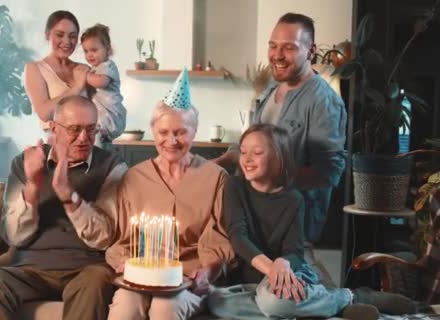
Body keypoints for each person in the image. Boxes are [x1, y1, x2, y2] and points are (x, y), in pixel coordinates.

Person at [208, 124, 417, 320]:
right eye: (243, 152)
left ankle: (353, 297)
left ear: (277, 157)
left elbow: (295, 252)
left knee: (273, 303)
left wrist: (283, 263)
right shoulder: (234, 187)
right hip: (257, 280)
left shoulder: (294, 200)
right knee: (215, 302)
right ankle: (330, 304)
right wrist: (272, 268)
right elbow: (238, 235)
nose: (247, 159)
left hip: (290, 272)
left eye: (257, 152)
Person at [0, 95, 128, 320]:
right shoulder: (23, 163)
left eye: (91, 129)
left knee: (97, 280)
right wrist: (33, 185)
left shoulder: (113, 166)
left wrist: (67, 194)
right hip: (30, 268)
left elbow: (103, 236)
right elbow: (13, 237)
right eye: (74, 129)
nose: (84, 138)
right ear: (54, 128)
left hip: (86, 267)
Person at [103, 69, 235, 320]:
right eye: (163, 133)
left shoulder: (216, 178)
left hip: (188, 280)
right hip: (141, 276)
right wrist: (125, 263)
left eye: (181, 132)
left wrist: (207, 272)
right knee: (124, 307)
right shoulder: (134, 178)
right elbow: (121, 239)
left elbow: (219, 240)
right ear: (154, 132)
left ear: (194, 132)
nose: (171, 141)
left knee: (165, 308)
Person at [214, 12, 347, 242]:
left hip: (291, 231)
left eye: (289, 47)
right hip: (254, 220)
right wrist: (214, 164)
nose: (277, 55)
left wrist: (272, 176)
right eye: (273, 46)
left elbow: (327, 174)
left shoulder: (323, 102)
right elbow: (250, 148)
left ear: (311, 51)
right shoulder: (271, 89)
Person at [24, 10, 90, 133]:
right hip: (58, 146)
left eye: (72, 36)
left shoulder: (83, 69)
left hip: (88, 142)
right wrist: (76, 88)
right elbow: (44, 113)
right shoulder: (35, 69)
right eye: (59, 35)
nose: (66, 42)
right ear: (47, 35)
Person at [80, 23, 126, 147]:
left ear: (108, 49)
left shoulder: (108, 66)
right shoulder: (96, 68)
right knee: (98, 136)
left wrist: (86, 75)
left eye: (94, 50)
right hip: (102, 113)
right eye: (86, 51)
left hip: (111, 112)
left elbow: (101, 82)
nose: (89, 55)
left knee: (97, 135)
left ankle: (97, 153)